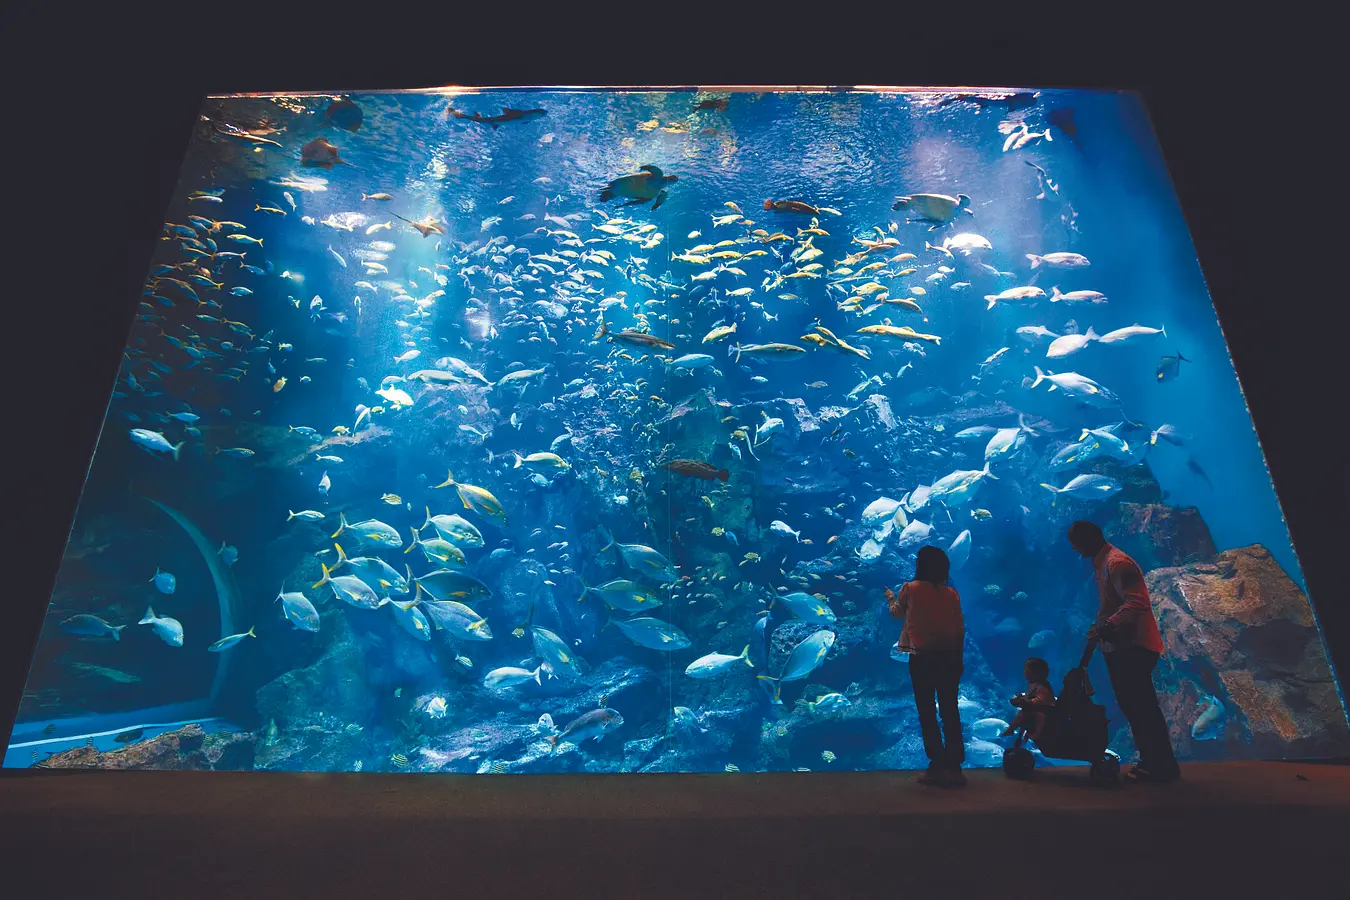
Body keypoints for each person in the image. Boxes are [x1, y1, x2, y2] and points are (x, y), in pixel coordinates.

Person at [1067, 520, 1181, 783]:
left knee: (1142, 709)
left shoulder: (1117, 564)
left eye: (1075, 543)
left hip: (1133, 646)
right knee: (1135, 708)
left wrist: (1108, 625)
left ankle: (1161, 767)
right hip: (1120, 645)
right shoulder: (1103, 562)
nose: (1074, 549)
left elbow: (1138, 601)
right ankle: (1154, 762)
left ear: (1087, 540)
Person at [887, 545, 966, 786]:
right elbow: (960, 628)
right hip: (949, 657)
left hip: (921, 657)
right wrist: (959, 659)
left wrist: (890, 598)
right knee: (950, 710)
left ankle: (936, 764)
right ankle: (955, 765)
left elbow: (896, 614)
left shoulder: (909, 589)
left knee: (927, 711)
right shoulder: (951, 593)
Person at [1003, 657, 1056, 743]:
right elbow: (1029, 695)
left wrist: (1030, 702)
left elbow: (1042, 699)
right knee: (1022, 713)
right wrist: (1020, 698)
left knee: (1035, 716)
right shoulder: (1032, 685)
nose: (1025, 672)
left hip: (1046, 712)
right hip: (1034, 711)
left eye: (1027, 670)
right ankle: (1012, 729)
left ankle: (1035, 734)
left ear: (1036, 673)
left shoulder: (1042, 686)